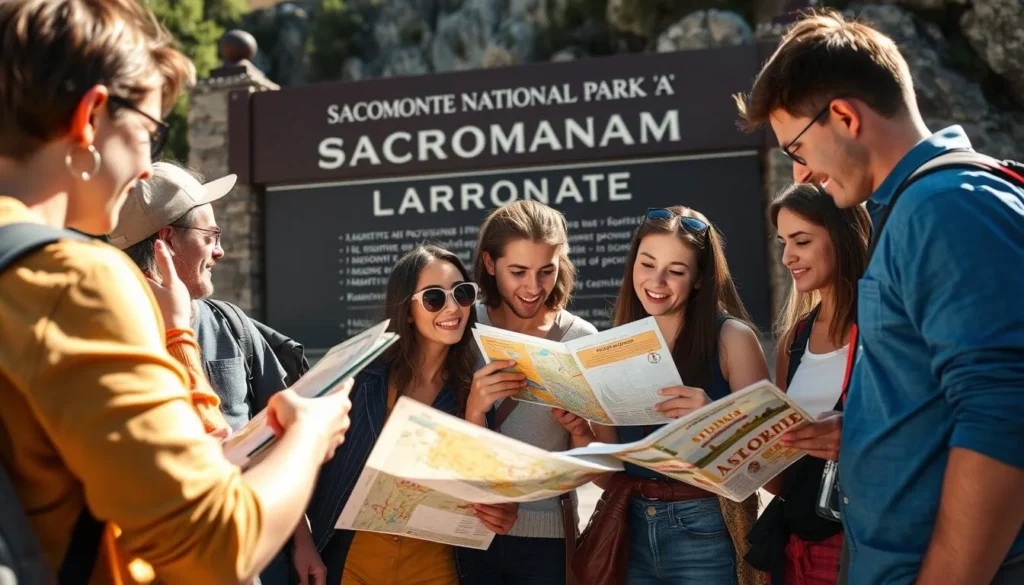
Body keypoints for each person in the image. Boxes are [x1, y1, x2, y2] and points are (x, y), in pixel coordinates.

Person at [0, 1, 352, 583]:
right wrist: (310, 437)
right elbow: (213, 545)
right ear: (91, 116)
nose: (146, 169)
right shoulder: (75, 282)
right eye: (150, 131)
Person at [735, 9, 1024, 585]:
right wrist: (869, 430)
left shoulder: (944, 207)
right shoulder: (925, 204)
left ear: (843, 116)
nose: (803, 175)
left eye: (797, 149)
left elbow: (1005, 412)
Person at [109, 161, 320, 585]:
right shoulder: (108, 340)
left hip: (263, 561)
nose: (220, 252)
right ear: (166, 243)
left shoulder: (232, 325)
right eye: (210, 237)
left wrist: (302, 542)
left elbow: (275, 437)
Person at [563, 206, 770, 585]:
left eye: (675, 271)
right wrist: (580, 428)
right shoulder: (616, 345)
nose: (656, 281)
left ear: (699, 280)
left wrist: (714, 417)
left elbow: (763, 471)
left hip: (705, 526)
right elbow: (611, 478)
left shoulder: (732, 339)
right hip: (631, 525)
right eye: (647, 264)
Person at [305, 245, 520, 585]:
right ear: (407, 310)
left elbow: (481, 495)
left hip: (438, 567)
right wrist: (304, 545)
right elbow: (305, 467)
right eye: (435, 298)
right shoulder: (361, 377)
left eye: (462, 294)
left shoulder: (473, 389)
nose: (453, 308)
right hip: (354, 563)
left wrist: (476, 414)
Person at [458, 200, 598, 584]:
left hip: (546, 542)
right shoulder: (462, 329)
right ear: (490, 264)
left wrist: (581, 432)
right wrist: (475, 407)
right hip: (464, 533)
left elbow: (598, 471)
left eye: (546, 271)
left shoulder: (581, 339)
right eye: (517, 271)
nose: (533, 288)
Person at [747, 184, 871, 585]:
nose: (787, 257)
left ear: (843, 237)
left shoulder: (885, 329)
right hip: (797, 548)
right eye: (783, 242)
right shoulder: (795, 339)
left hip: (862, 546)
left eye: (801, 241)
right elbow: (781, 478)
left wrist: (856, 440)